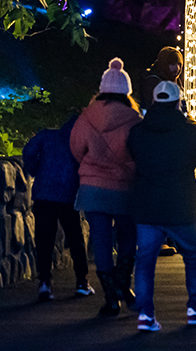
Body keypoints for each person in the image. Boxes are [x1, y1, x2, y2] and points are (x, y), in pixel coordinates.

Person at [127, 81, 196, 332]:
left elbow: (132, 155)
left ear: (154, 102)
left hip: (147, 206)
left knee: (144, 262)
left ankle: (145, 315)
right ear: (179, 102)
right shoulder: (188, 131)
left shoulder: (138, 132)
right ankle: (195, 308)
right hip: (181, 205)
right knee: (192, 256)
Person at [70, 58, 142, 316]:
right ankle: (125, 283)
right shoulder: (135, 119)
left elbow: (77, 148)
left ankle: (111, 298)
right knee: (128, 236)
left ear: (101, 89)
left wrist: (93, 168)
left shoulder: (87, 117)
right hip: (125, 188)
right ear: (127, 91)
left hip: (93, 188)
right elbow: (139, 153)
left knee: (100, 242)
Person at [23, 115, 94, 302]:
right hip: (68, 193)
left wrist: (36, 170)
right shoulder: (80, 142)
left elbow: (29, 150)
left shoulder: (48, 135)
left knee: (44, 238)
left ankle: (45, 282)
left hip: (44, 193)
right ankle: (81, 282)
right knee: (75, 237)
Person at [139, 46, 186, 256]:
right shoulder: (154, 82)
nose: (175, 68)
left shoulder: (172, 81)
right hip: (158, 143)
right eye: (171, 63)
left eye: (178, 64)